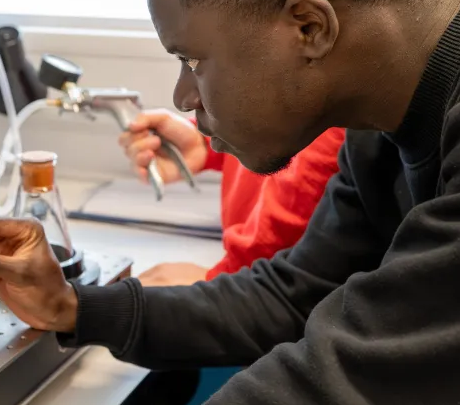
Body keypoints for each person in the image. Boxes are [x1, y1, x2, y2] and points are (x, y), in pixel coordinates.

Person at [0, 0, 460, 405]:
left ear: (309, 26)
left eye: (193, 60)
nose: (183, 96)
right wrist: (72, 306)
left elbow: (340, 384)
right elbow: (292, 296)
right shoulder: (381, 125)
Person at [119, 110, 345, 286]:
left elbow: (277, 272)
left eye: (199, 62)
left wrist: (223, 278)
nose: (184, 98)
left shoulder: (338, 117)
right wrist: (206, 144)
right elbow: (278, 127)